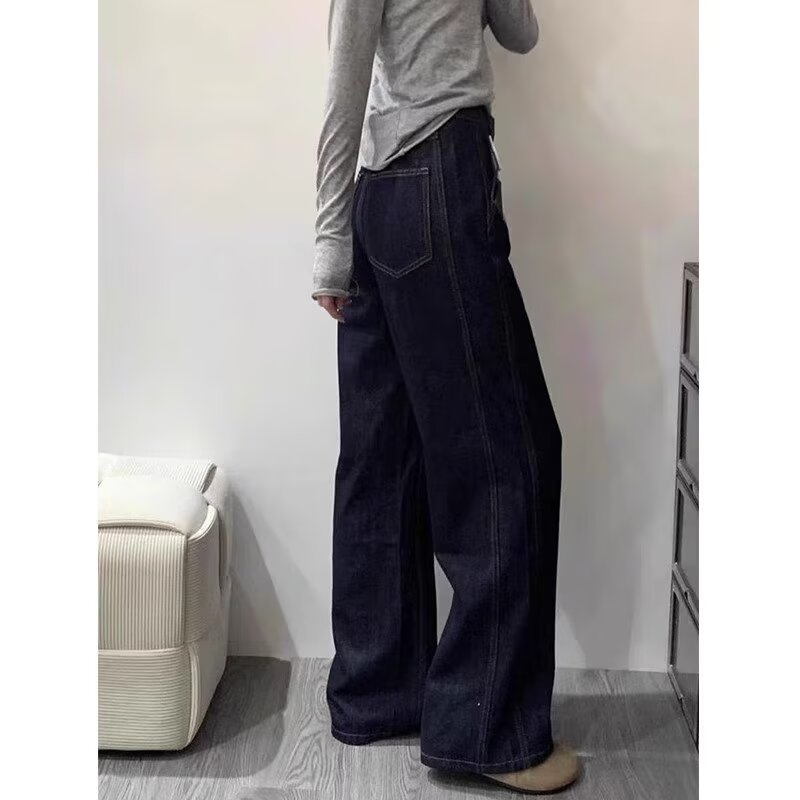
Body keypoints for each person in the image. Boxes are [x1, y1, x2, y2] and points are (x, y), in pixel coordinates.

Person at [312, 1, 579, 793]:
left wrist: (338, 239)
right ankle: (493, 733)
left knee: (383, 457)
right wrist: (328, 247)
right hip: (436, 174)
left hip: (388, 195)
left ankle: (379, 691)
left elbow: (519, 31)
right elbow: (344, 75)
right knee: (509, 453)